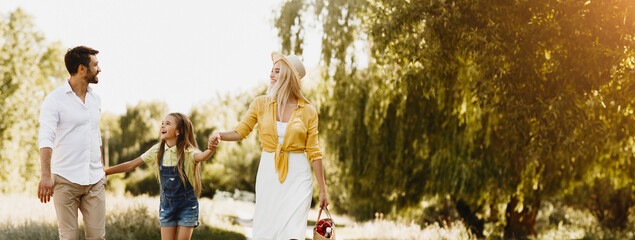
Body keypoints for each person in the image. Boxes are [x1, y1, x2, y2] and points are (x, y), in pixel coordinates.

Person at [211, 52, 329, 240]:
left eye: (277, 71)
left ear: (289, 77)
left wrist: (323, 190)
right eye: (271, 71)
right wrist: (219, 135)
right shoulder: (260, 104)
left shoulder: (308, 111)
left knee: (293, 232)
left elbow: (314, 152)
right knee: (266, 229)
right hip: (269, 173)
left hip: (298, 177)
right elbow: (241, 131)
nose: (271, 75)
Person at [105, 112, 217, 240]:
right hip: (167, 207)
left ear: (178, 131)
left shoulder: (188, 152)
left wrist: (211, 149)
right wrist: (106, 172)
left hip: (187, 207)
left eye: (168, 124)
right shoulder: (158, 150)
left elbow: (201, 156)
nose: (162, 126)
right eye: (162, 123)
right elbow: (131, 165)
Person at [37, 46, 106, 240]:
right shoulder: (54, 100)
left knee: (97, 237)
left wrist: (101, 169)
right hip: (65, 180)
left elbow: (95, 134)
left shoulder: (95, 99)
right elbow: (46, 137)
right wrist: (45, 175)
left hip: (94, 180)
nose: (99, 69)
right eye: (96, 65)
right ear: (82, 69)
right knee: (68, 237)